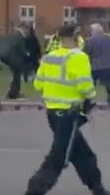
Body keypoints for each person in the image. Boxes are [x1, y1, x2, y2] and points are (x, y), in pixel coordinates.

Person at [25, 25, 108, 195]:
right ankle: (35, 189)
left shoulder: (49, 57)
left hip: (53, 113)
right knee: (59, 156)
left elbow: (38, 84)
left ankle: (97, 187)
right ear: (76, 37)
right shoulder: (79, 57)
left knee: (82, 153)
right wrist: (90, 96)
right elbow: (86, 87)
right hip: (69, 115)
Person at [0, 22, 29, 99]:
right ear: (23, 28)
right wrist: (26, 53)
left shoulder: (15, 35)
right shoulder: (19, 36)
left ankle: (13, 92)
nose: (27, 31)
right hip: (15, 59)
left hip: (12, 59)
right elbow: (19, 47)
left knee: (16, 76)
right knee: (17, 76)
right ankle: (13, 93)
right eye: (26, 29)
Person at [84, 23, 110, 106]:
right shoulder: (108, 39)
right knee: (108, 85)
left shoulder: (90, 41)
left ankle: (88, 102)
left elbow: (86, 53)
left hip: (94, 66)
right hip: (107, 65)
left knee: (91, 84)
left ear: (93, 32)